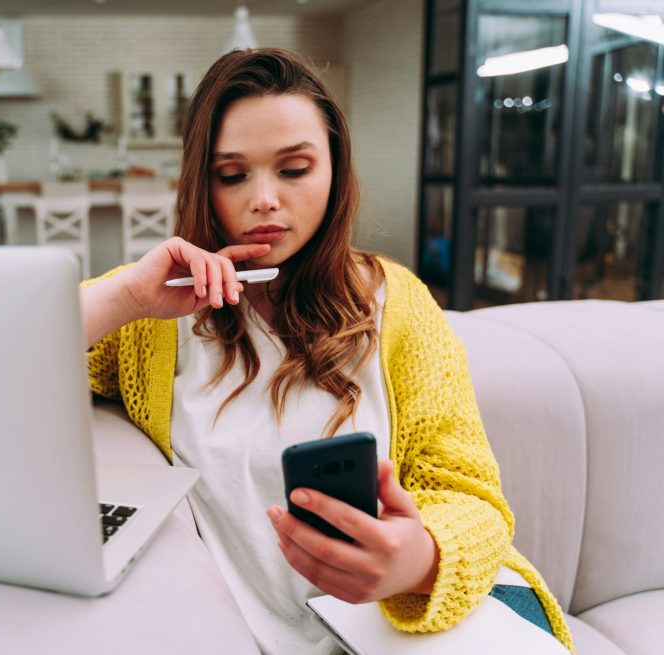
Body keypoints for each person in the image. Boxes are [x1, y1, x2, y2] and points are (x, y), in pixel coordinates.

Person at [80, 48, 573, 654]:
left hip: (430, 620)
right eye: (231, 175)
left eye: (294, 169)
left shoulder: (397, 303)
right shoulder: (156, 316)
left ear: (335, 171)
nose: (263, 199)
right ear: (200, 181)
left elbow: (471, 496)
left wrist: (417, 561)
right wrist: (125, 296)